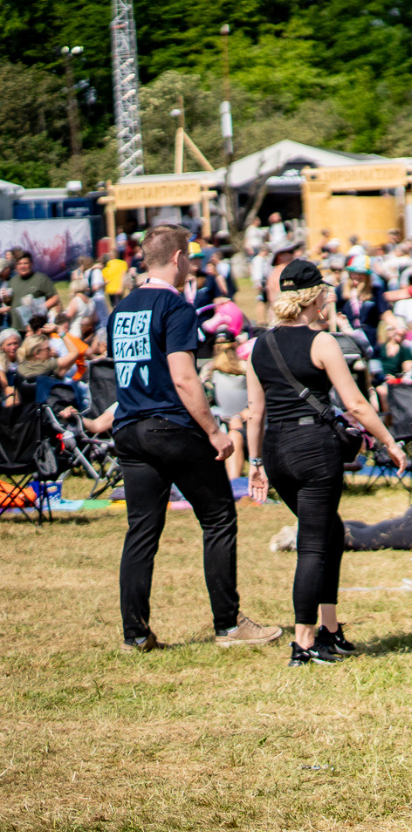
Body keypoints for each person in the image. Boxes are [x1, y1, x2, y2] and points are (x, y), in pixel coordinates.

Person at [111, 226, 281, 653]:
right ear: (178, 258)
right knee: (219, 519)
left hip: (130, 429)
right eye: (190, 257)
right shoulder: (176, 306)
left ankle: (135, 634)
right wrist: (214, 432)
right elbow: (184, 378)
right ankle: (228, 625)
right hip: (171, 428)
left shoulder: (122, 309)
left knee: (141, 532)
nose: (192, 265)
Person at [244, 259, 407, 666]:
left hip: (276, 449)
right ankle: (303, 643)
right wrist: (389, 442)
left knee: (329, 532)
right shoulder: (323, 342)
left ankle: (330, 630)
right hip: (313, 448)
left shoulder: (260, 345)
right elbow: (355, 404)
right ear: (315, 298)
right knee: (314, 545)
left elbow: (255, 412)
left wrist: (255, 461)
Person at [202, 331, 251, 482]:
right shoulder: (210, 371)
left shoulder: (247, 368)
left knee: (234, 436)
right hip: (224, 426)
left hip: (242, 426)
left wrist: (238, 416)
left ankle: (234, 483)